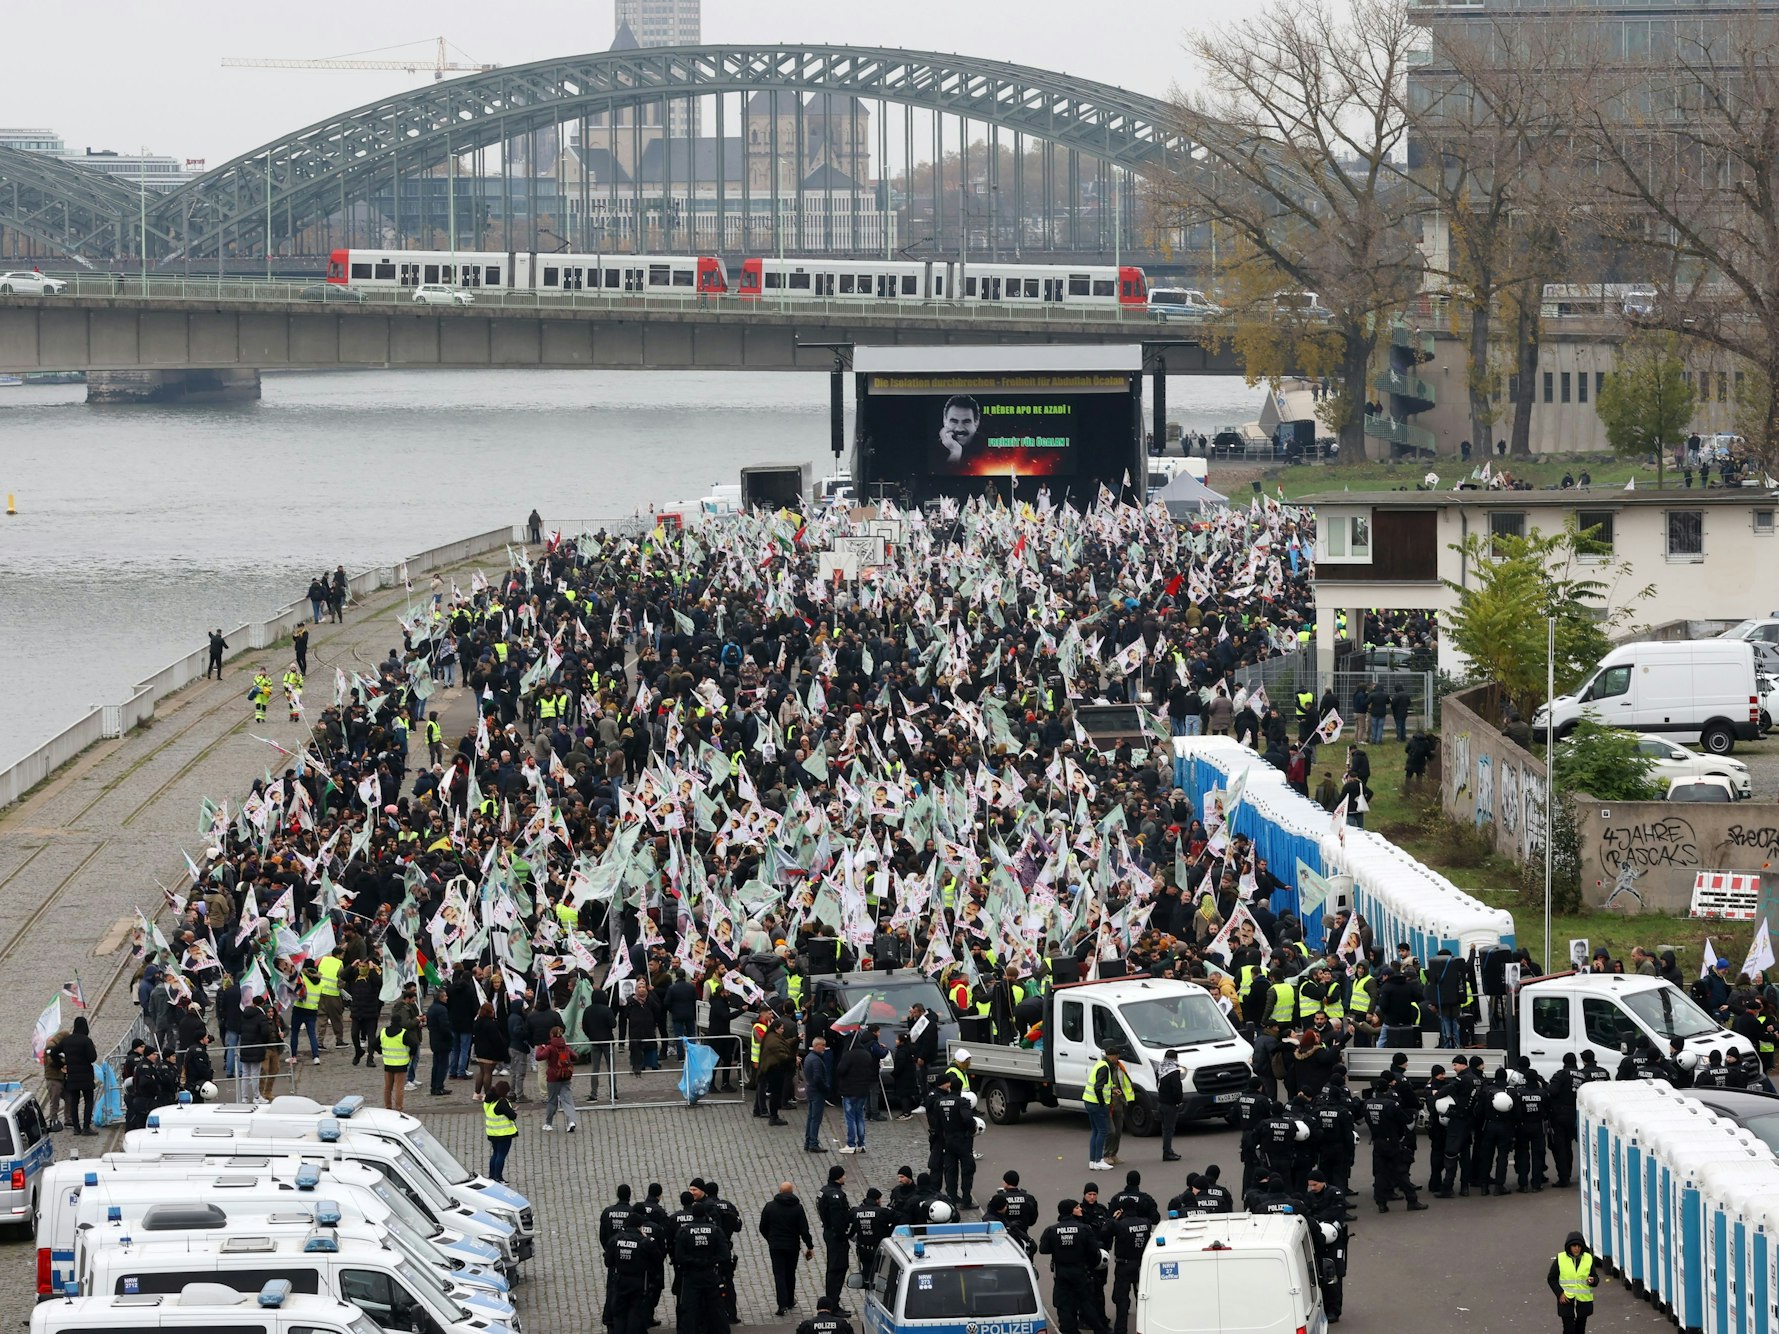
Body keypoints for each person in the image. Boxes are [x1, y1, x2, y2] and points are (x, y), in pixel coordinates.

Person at [1039, 1199, 1109, 1334]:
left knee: (1063, 1304)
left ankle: (1069, 1330)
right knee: (1086, 1303)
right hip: (1080, 1272)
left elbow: (1043, 1249)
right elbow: (1093, 1250)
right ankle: (1100, 1330)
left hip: (1061, 1273)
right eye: (1077, 1207)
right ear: (1071, 1210)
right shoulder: (1084, 1229)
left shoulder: (1051, 1230)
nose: (1081, 1209)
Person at [758, 1181, 815, 1317]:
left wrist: (770, 1239)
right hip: (792, 1245)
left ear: (779, 1191)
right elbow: (804, 1230)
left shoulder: (770, 1207)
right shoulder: (797, 1208)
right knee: (790, 1273)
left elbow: (762, 1227)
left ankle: (782, 1304)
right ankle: (790, 1300)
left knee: (779, 1274)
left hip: (776, 1246)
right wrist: (810, 1246)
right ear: (792, 1192)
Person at [1083, 1047, 1133, 1170]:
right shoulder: (1105, 1067)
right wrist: (1102, 1103)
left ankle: (1093, 1161)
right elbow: (1098, 1087)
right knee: (1103, 1131)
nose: (1118, 1059)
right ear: (1112, 1056)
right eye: (1117, 1056)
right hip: (1096, 1104)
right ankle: (1099, 1160)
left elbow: (1102, 1086)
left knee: (1095, 1131)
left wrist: (1111, 1091)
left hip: (1089, 1101)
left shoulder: (1100, 1064)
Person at [50, 1016, 98, 1136]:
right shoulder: (86, 1040)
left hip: (72, 1075)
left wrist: (61, 1064)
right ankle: (86, 1127)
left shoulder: (67, 1040)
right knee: (88, 1101)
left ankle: (76, 1128)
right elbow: (93, 1057)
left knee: (74, 1102)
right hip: (86, 1075)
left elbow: (54, 1052)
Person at [1548, 1231, 1600, 1334]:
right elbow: (1551, 1278)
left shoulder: (1588, 1258)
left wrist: (1593, 1281)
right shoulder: (1561, 1259)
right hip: (1566, 1301)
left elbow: (1595, 1278)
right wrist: (1560, 1294)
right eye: (1574, 1246)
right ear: (1569, 1247)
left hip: (1583, 1302)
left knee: (1580, 1330)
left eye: (1579, 1246)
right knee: (1569, 1330)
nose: (1576, 1248)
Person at [816, 1164, 850, 1305]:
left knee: (833, 1268)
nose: (845, 1177)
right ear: (838, 1177)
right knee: (837, 1269)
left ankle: (832, 1301)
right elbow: (837, 1220)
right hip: (836, 1236)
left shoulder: (823, 1191)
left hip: (828, 1232)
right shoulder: (835, 1196)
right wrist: (843, 1236)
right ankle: (833, 1303)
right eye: (843, 1175)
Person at [541, 1025, 578, 1132]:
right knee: (567, 1100)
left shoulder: (550, 1048)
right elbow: (575, 1056)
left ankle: (548, 1124)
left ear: (551, 1035)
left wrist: (540, 1048)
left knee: (552, 1101)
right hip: (565, 1076)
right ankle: (571, 1121)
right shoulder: (565, 1047)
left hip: (553, 1078)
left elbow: (539, 1057)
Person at [483, 1079, 518, 1182]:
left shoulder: (489, 1102)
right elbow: (512, 1116)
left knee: (495, 1154)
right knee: (501, 1155)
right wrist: (513, 1111)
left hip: (492, 1133)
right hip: (504, 1134)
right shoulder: (502, 1102)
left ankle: (492, 1176)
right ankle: (498, 1177)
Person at [802, 1035, 831, 1152]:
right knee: (815, 1119)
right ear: (816, 1046)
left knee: (811, 1117)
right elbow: (818, 1078)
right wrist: (826, 1088)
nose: (824, 1048)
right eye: (822, 1045)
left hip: (810, 1090)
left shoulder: (809, 1057)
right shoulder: (816, 1060)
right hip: (817, 1092)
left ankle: (808, 1141)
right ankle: (813, 1143)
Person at [379, 1013, 413, 1111]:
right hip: (401, 1065)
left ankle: (388, 1106)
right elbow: (414, 1045)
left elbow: (374, 1044)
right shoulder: (403, 1033)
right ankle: (399, 1107)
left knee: (387, 1087)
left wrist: (381, 1051)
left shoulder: (383, 1031)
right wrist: (410, 1055)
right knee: (399, 1088)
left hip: (388, 1064)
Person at [1155, 1049, 1184, 1161]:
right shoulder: (1174, 1071)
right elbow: (1177, 1089)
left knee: (1165, 1128)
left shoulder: (1161, 1069)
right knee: (1169, 1130)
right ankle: (1167, 1152)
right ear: (1175, 1058)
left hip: (1161, 1102)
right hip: (1170, 1104)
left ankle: (1168, 1150)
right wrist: (1178, 1101)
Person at [937, 394, 983, 466]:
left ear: (976, 423)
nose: (959, 428)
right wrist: (955, 452)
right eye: (954, 421)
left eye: (966, 422)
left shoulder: (989, 449)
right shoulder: (931, 450)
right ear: (945, 421)